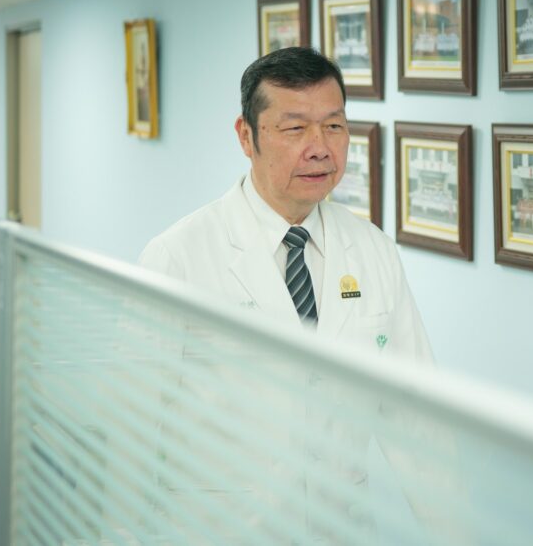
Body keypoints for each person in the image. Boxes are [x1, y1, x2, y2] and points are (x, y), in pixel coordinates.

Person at [139, 46, 446, 542]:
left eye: (334, 126)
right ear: (246, 136)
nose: (320, 148)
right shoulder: (179, 256)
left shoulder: (372, 250)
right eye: (294, 128)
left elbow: (419, 421)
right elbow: (131, 427)